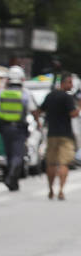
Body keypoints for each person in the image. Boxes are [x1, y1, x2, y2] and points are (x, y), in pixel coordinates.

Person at [0, 65, 39, 191]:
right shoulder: (25, 94)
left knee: (9, 154)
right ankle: (11, 177)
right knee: (18, 155)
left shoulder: (2, 92)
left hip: (4, 128)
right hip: (19, 128)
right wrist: (38, 123)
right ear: (22, 79)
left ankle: (13, 182)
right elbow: (33, 110)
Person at [40, 72, 80, 200]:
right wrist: (79, 106)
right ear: (64, 82)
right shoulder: (67, 98)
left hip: (51, 134)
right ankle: (61, 190)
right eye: (70, 82)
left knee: (51, 163)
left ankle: (51, 189)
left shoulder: (50, 96)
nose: (71, 85)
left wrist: (39, 124)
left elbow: (39, 111)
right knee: (63, 164)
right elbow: (73, 114)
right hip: (65, 135)